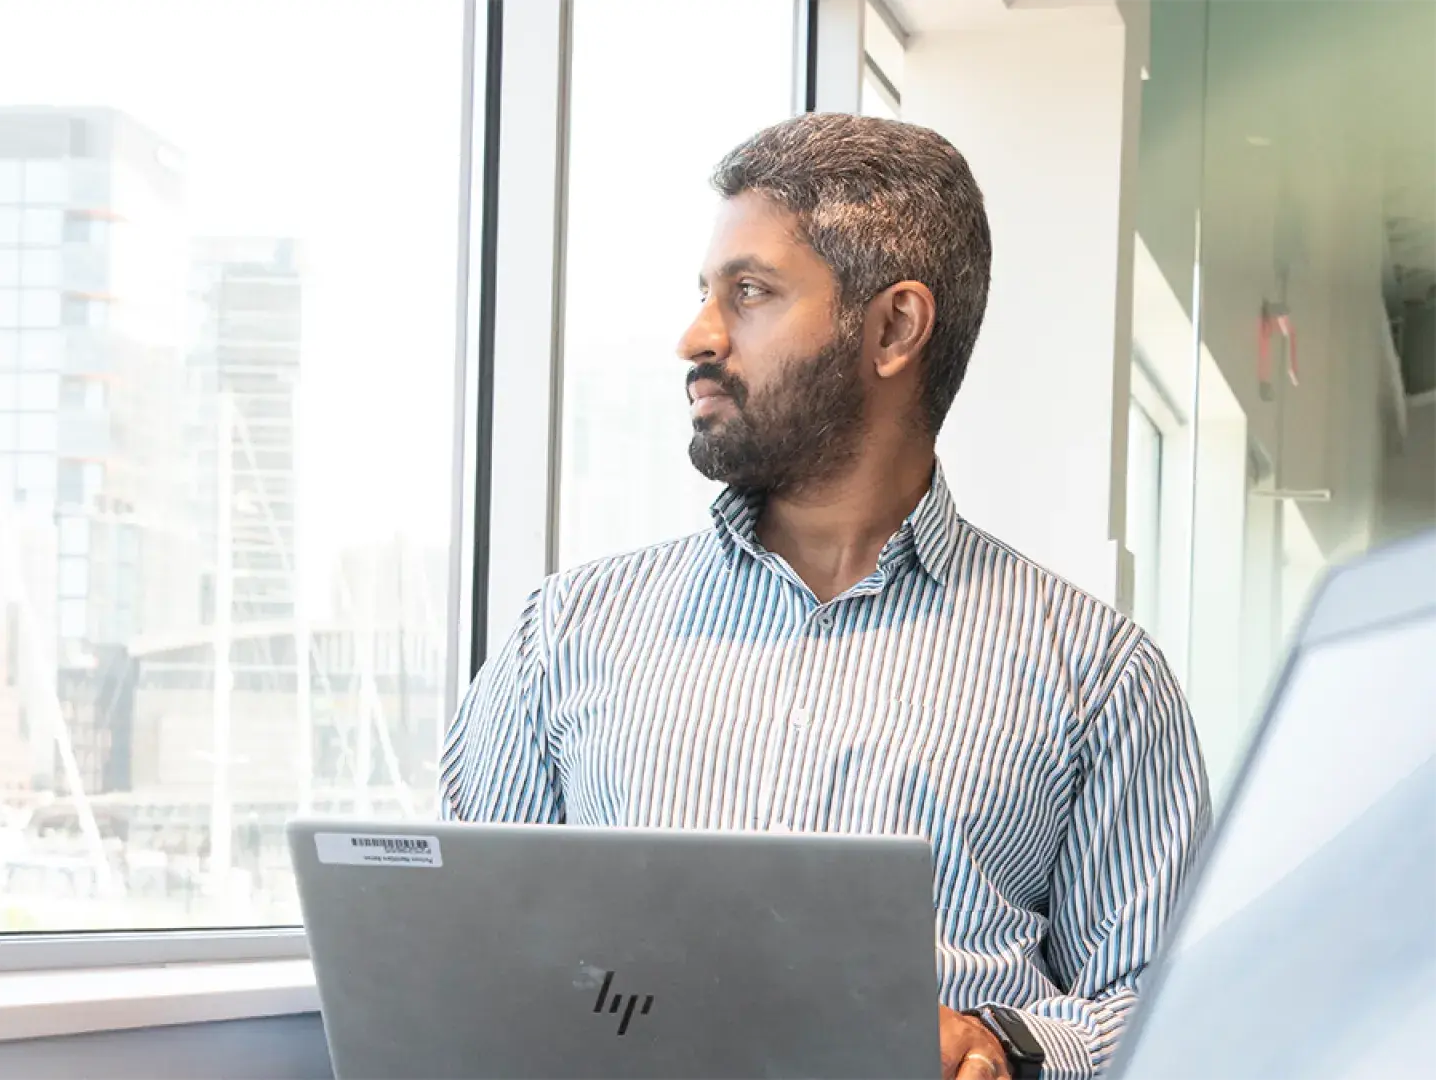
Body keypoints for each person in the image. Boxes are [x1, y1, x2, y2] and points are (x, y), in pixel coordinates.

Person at [438, 113, 1211, 1080]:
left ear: (893, 328)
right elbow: (460, 960)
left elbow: (1178, 1011)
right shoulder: (565, 634)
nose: (696, 336)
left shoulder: (1096, 673)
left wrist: (1001, 1045)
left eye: (749, 293)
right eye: (705, 294)